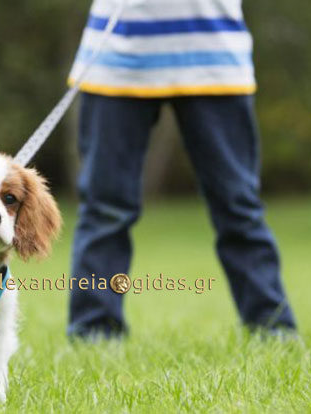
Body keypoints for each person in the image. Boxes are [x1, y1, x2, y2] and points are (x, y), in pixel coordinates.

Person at [66, 0, 296, 339]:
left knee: (238, 207)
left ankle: (272, 327)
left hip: (215, 60)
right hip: (115, 58)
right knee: (104, 210)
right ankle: (94, 332)